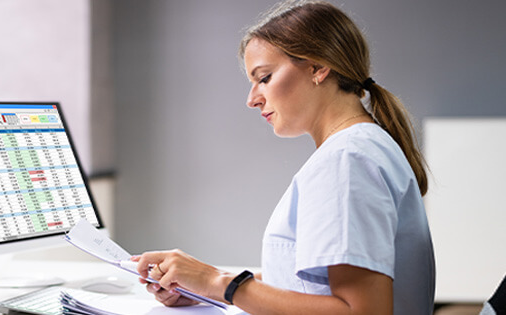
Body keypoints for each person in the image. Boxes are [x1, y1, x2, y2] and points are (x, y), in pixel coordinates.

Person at [130, 1, 436, 314]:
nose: (252, 99)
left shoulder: (347, 160)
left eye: (264, 78)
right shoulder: (361, 147)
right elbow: (312, 284)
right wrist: (210, 284)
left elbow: (361, 312)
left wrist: (218, 283)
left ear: (317, 68)